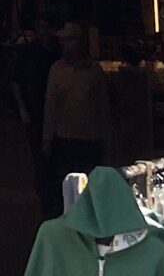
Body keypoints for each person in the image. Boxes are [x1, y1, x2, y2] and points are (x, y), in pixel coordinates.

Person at [40, 23, 111, 216]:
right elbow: (50, 105)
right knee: (64, 190)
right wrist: (47, 139)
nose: (65, 45)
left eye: (69, 40)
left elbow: (102, 106)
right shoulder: (57, 70)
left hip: (90, 140)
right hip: (64, 139)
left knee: (90, 190)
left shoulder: (94, 71)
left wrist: (106, 139)